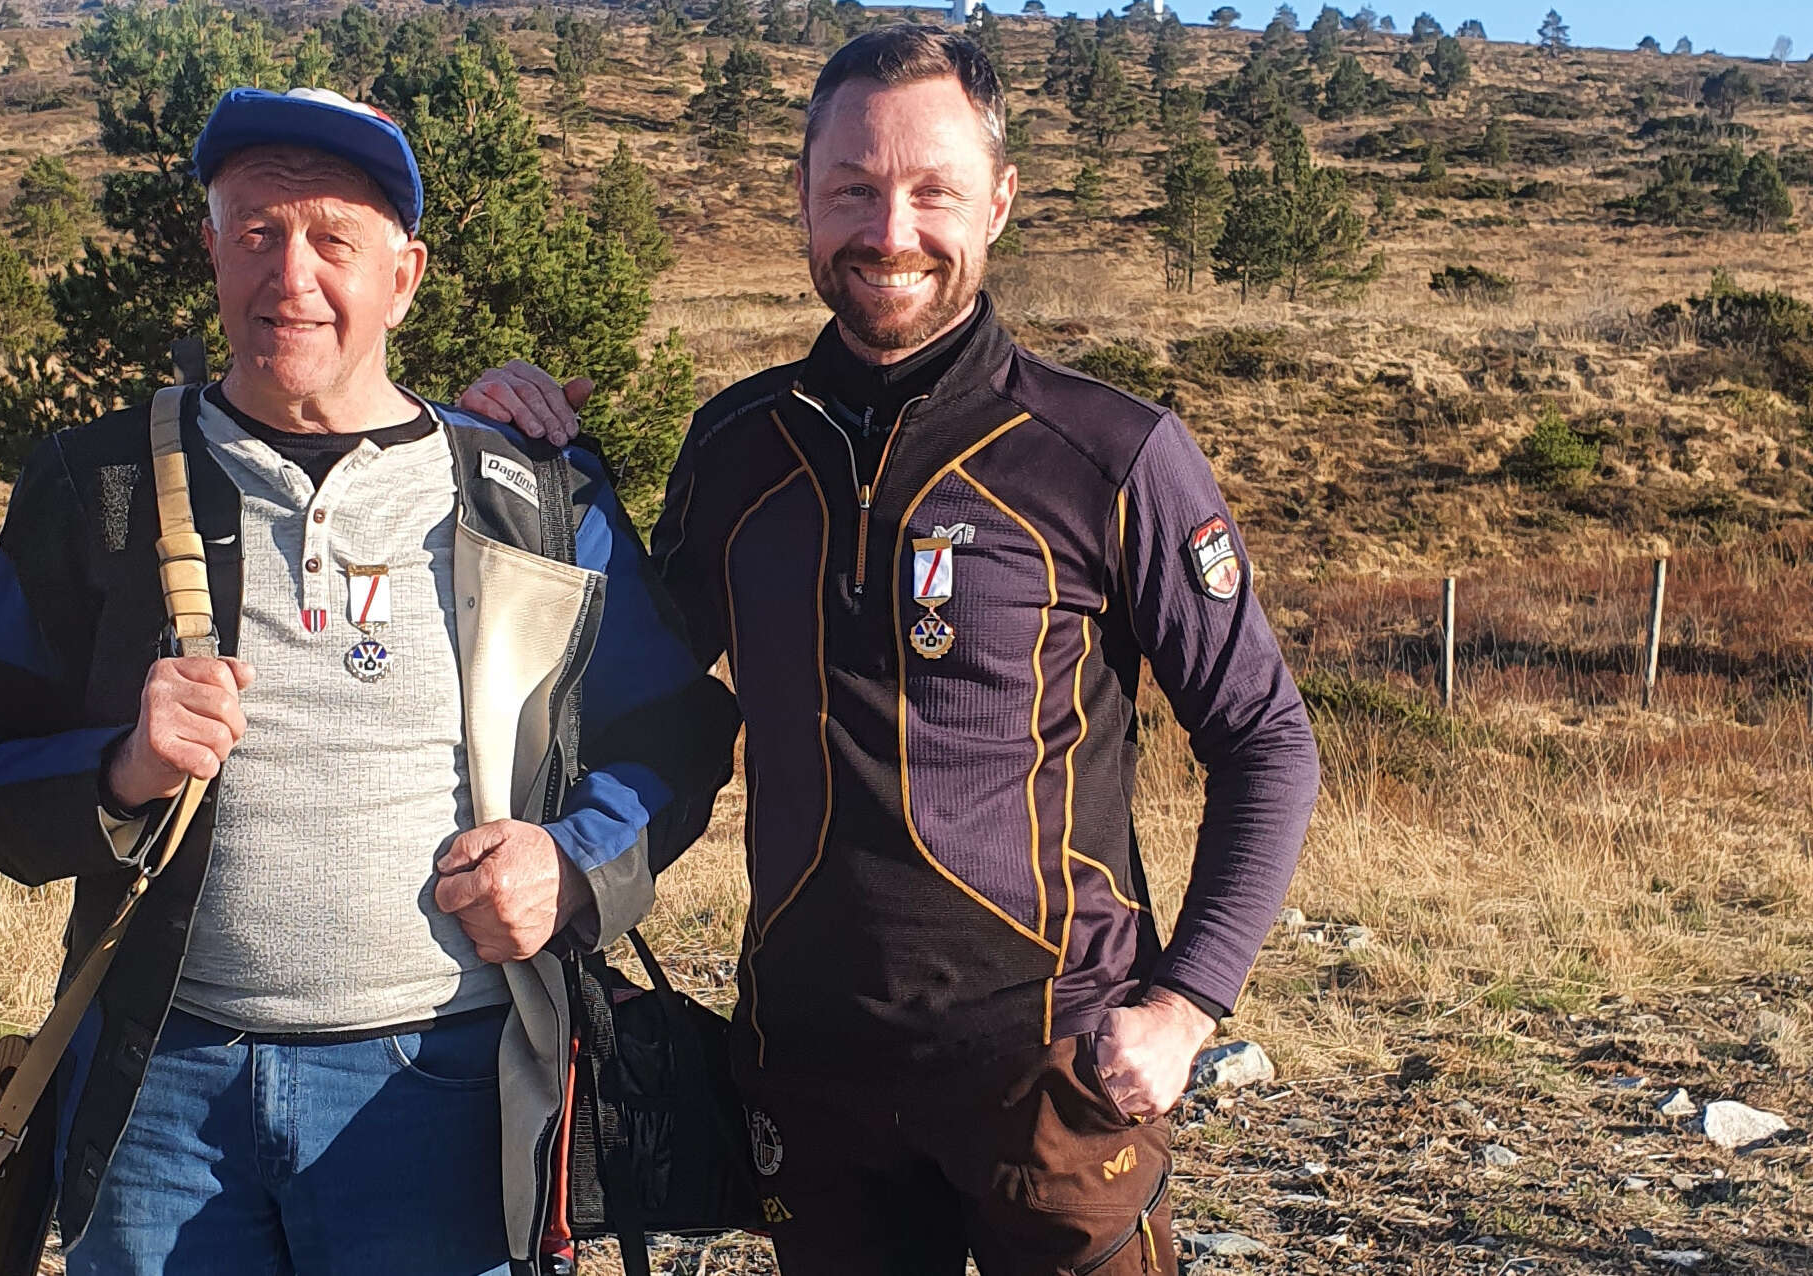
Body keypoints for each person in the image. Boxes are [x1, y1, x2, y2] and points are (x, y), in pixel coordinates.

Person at [462, 26, 1319, 1276]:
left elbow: (1266, 738)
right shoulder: (738, 450)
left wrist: (1186, 1008)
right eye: (855, 188)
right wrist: (529, 456)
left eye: (933, 190)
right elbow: (633, 692)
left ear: (1000, 201)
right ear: (804, 199)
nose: (892, 229)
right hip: (811, 1080)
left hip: (1054, 1078)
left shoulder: (1109, 455)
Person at [0, 86, 736, 1276]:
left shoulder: (532, 496)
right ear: (212, 253)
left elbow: (674, 731)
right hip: (158, 1101)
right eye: (256, 232)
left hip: (446, 1090)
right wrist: (120, 768)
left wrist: (570, 865)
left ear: (404, 276)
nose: (289, 274)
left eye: (333, 239)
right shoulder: (96, 486)